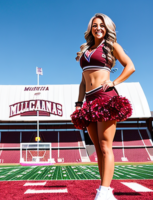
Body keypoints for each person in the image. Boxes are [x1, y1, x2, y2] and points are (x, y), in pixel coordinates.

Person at [71, 13, 135, 200]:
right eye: (94, 25)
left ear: (107, 28)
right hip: (89, 101)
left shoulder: (111, 46)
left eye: (102, 25)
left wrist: (115, 82)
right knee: (98, 148)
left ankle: (104, 191)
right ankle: (104, 190)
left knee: (106, 146)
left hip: (106, 98)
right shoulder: (86, 50)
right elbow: (83, 81)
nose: (98, 28)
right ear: (91, 28)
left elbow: (130, 66)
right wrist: (78, 104)